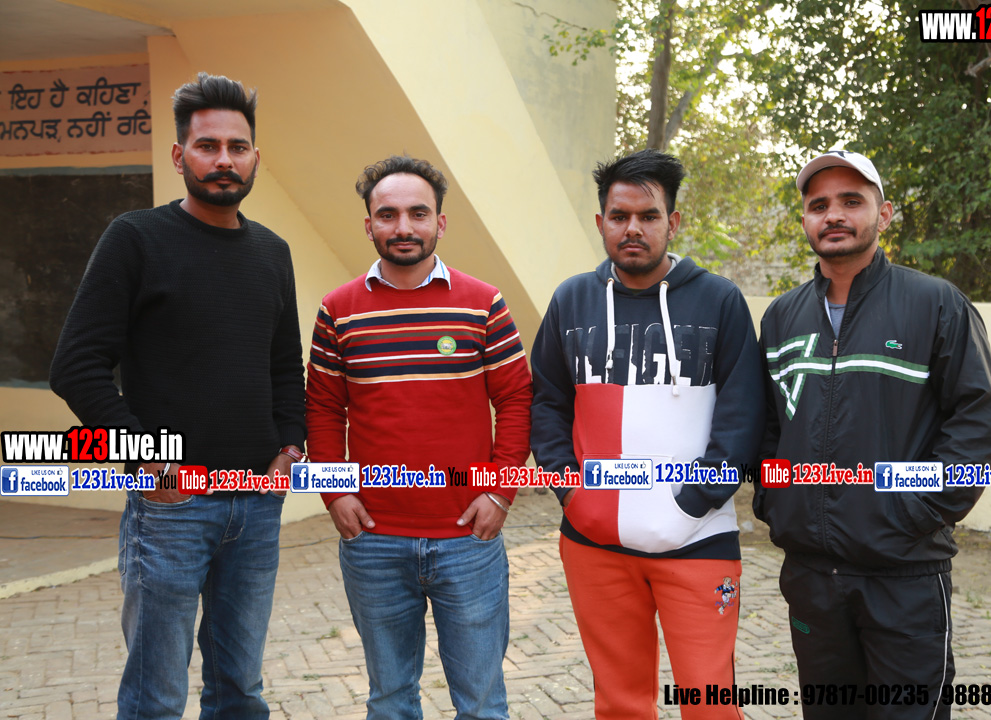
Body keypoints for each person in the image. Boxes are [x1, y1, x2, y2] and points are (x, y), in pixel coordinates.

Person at [49, 72, 306, 719]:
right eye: (207, 146)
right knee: (155, 699)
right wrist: (146, 456)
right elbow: (75, 367)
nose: (224, 160)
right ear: (178, 155)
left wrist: (289, 446)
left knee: (240, 692)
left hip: (256, 506)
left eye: (237, 147)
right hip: (171, 507)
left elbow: (284, 366)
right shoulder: (136, 238)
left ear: (255, 157)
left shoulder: (272, 253)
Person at [754, 149, 991, 719]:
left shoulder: (935, 304)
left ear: (883, 214)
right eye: (819, 205)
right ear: (805, 220)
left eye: (852, 201)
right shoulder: (782, 317)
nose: (834, 215)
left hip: (903, 573)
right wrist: (777, 500)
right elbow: (768, 427)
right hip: (811, 575)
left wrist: (918, 511)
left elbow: (974, 419)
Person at [530, 149, 765, 720]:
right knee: (620, 705)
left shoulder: (720, 300)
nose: (632, 228)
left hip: (698, 539)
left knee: (710, 705)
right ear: (601, 222)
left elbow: (742, 417)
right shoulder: (571, 300)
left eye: (649, 215)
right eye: (619, 216)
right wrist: (572, 493)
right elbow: (548, 404)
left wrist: (692, 505)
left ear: (673, 222)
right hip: (594, 543)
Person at [305, 155, 532, 719]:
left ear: (440, 222)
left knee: (482, 706)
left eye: (418, 213)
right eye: (388, 215)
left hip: (468, 538)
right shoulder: (338, 310)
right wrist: (334, 492)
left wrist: (501, 492)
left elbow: (516, 398)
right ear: (369, 226)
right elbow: (324, 409)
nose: (403, 227)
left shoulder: (483, 303)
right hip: (373, 540)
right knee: (390, 702)